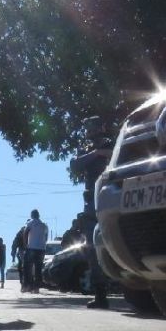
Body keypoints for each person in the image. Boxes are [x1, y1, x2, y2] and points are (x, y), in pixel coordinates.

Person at [70, 115, 116, 309]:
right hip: (91, 201)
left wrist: (100, 152)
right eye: (87, 127)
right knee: (92, 248)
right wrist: (96, 153)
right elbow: (75, 165)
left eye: (92, 127)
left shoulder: (112, 143)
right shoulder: (87, 150)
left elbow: (115, 155)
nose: (89, 130)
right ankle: (100, 294)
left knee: (115, 241)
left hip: (110, 196)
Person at [23, 209, 48, 293]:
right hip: (41, 249)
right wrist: (43, 244)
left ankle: (28, 286)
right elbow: (46, 236)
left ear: (32, 215)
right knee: (38, 268)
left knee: (27, 267)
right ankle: (36, 288)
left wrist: (25, 244)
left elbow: (25, 233)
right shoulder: (44, 225)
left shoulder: (30, 223)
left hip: (31, 247)